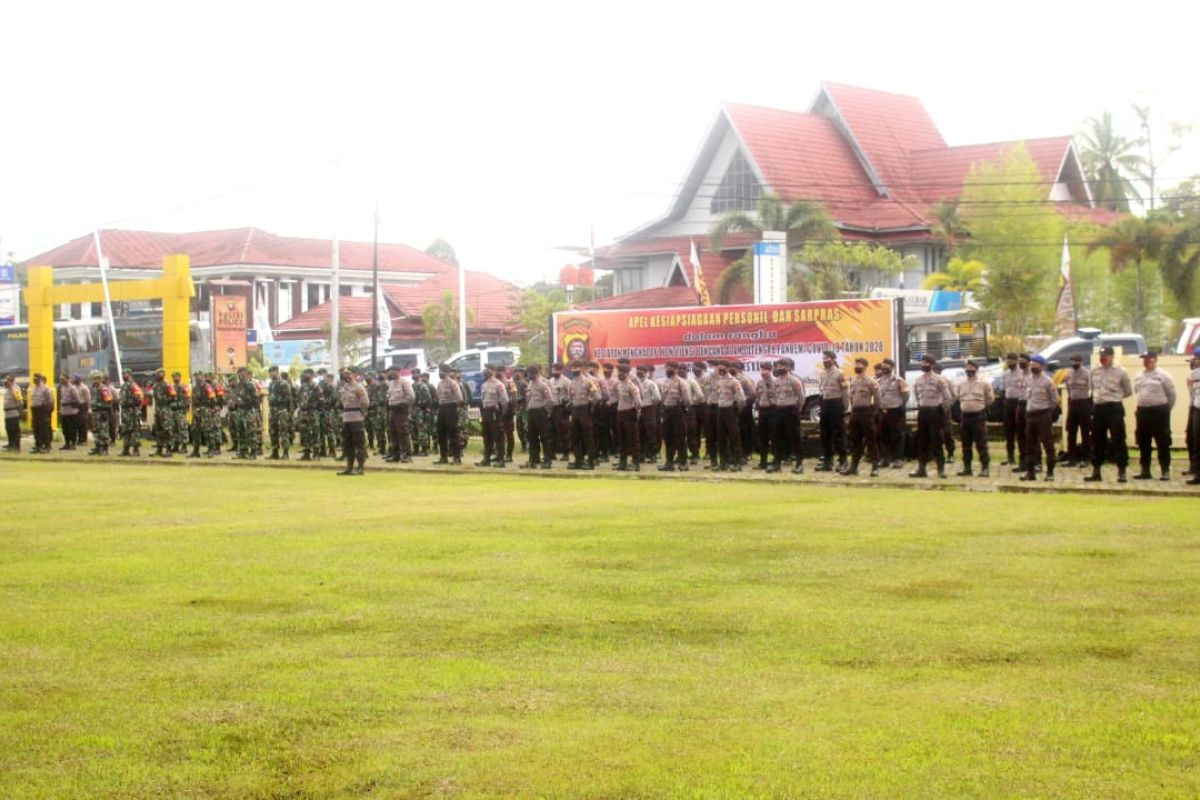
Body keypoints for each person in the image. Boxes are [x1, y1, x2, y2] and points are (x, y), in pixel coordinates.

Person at [1085, 345, 1133, 483]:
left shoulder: (1120, 371)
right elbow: (1092, 388)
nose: (1103, 358)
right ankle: (1096, 471)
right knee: (1097, 440)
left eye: (1105, 356)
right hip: (1098, 407)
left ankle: (1122, 470)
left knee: (1118, 439)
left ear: (1112, 356)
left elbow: (1128, 391)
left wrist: (1115, 397)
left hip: (1114, 408)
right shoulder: (1094, 371)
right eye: (1101, 356)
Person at [1133, 351, 1175, 481]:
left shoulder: (1163, 375)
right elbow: (1137, 391)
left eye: (1149, 359)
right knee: (1143, 441)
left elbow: (1171, 395)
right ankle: (1145, 470)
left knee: (1162, 442)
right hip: (1143, 412)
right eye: (1144, 359)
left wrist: (1166, 410)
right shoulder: (1139, 376)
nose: (1146, 361)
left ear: (1155, 360)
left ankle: (1165, 471)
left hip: (1159, 412)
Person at [910, 353, 952, 479]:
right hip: (923, 412)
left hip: (935, 411)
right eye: (922, 363)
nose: (923, 365)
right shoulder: (918, 380)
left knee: (936, 441)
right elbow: (917, 397)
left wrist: (942, 411)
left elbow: (947, 397)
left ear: (932, 365)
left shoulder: (939, 379)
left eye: (926, 363)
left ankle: (941, 469)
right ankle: (921, 469)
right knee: (922, 441)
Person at [1021, 354, 1058, 482]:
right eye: (1032, 364)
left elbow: (1054, 400)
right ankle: (1030, 472)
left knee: (1048, 444)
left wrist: (1047, 412)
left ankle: (1050, 472)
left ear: (1041, 366)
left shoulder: (1048, 381)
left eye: (1035, 364)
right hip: (1030, 414)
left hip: (1043, 414)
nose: (1032, 366)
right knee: (1030, 444)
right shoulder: (1028, 379)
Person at [956, 359, 994, 477]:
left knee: (981, 443)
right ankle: (967, 468)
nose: (969, 370)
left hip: (978, 416)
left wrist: (981, 407)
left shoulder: (984, 383)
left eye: (971, 368)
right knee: (966, 444)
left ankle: (985, 468)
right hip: (965, 417)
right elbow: (959, 398)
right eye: (967, 368)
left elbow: (990, 399)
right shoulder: (961, 384)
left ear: (976, 369)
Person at [845, 356, 881, 476]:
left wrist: (873, 412)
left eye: (859, 365)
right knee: (855, 441)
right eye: (855, 365)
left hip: (866, 412)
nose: (856, 367)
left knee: (871, 440)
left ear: (865, 367)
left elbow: (877, 399)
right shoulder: (854, 381)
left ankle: (875, 467)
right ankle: (853, 467)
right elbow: (851, 398)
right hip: (855, 413)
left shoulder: (871, 381)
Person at [769, 358, 805, 474]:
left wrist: (797, 409)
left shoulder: (795, 380)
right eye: (778, 366)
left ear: (788, 367)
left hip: (791, 410)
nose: (779, 368)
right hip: (779, 410)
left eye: (782, 366)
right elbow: (774, 396)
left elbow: (801, 398)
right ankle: (777, 464)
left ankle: (799, 464)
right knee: (777, 437)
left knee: (795, 438)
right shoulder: (776, 381)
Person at [815, 350, 848, 472]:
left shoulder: (840, 373)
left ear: (833, 359)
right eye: (823, 358)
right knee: (825, 433)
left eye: (827, 358)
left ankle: (843, 461)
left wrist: (844, 405)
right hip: (825, 403)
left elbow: (845, 390)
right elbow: (822, 389)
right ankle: (828, 462)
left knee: (839, 433)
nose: (825, 360)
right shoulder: (823, 373)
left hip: (836, 403)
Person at [713, 360, 746, 471]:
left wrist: (736, 412)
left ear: (727, 368)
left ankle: (737, 463)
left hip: (730, 411)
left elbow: (741, 399)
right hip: (720, 411)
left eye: (722, 367)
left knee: (734, 437)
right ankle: (723, 462)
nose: (720, 369)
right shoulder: (719, 381)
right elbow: (718, 396)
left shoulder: (734, 381)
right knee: (721, 438)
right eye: (719, 367)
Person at [567, 360, 600, 470]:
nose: (574, 370)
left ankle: (591, 462)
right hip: (575, 411)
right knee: (575, 437)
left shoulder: (589, 382)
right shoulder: (571, 383)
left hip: (585, 410)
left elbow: (597, 397)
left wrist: (591, 407)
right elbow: (570, 399)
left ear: (582, 368)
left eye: (576, 367)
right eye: (572, 368)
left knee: (588, 437)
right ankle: (578, 461)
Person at [337, 368, 369, 475]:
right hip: (346, 418)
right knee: (347, 444)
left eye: (348, 373)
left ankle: (360, 468)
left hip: (356, 418)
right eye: (345, 374)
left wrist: (361, 413)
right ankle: (349, 467)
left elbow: (365, 402)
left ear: (355, 374)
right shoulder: (344, 387)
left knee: (359, 443)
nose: (346, 376)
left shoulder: (358, 387)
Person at [656, 362, 689, 472]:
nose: (668, 369)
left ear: (676, 369)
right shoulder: (666, 382)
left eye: (670, 368)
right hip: (667, 411)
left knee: (680, 438)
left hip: (678, 411)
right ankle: (669, 463)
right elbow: (662, 398)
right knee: (668, 438)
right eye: (667, 368)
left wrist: (684, 409)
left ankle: (683, 463)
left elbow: (687, 400)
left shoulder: (681, 382)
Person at [877, 358, 908, 467]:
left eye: (886, 367)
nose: (884, 369)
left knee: (896, 436)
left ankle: (898, 459)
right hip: (883, 412)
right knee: (883, 436)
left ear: (891, 367)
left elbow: (905, 396)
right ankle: (885, 458)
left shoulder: (899, 380)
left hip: (895, 411)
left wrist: (899, 405)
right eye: (883, 367)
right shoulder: (879, 381)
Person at [521, 364, 554, 469]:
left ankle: (547, 460)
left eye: (533, 373)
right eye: (529, 373)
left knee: (544, 437)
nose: (531, 375)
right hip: (531, 412)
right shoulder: (530, 384)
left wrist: (545, 411)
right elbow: (528, 398)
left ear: (537, 373)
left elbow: (550, 400)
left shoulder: (543, 385)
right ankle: (534, 459)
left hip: (540, 412)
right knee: (532, 437)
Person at [1062, 354, 1092, 467]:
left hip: (1084, 402)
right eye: (1072, 362)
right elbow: (1068, 388)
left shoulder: (1087, 374)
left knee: (1085, 432)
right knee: (1071, 431)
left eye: (1076, 362)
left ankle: (1086, 458)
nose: (1074, 364)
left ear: (1081, 362)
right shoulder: (1069, 373)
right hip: (1073, 402)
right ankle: (1071, 458)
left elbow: (1091, 388)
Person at [477, 364, 509, 467]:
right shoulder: (484, 385)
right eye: (485, 369)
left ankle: (501, 459)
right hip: (486, 412)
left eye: (488, 370)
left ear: (493, 371)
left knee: (498, 437)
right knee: (487, 436)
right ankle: (486, 459)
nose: (486, 372)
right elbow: (482, 399)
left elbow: (505, 400)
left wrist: (501, 411)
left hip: (495, 412)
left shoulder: (499, 384)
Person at [613, 363, 642, 471]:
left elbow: (638, 402)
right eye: (618, 371)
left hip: (630, 413)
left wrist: (636, 412)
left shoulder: (632, 386)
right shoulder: (619, 385)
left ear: (627, 373)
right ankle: (623, 462)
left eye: (622, 372)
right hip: (620, 413)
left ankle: (635, 463)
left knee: (633, 440)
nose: (620, 374)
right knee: (622, 439)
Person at [435, 364, 464, 464]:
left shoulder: (453, 383)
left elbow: (460, 398)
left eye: (441, 371)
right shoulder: (440, 383)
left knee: (453, 434)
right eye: (439, 371)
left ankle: (456, 458)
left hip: (451, 409)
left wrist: (453, 405)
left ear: (446, 372)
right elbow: (438, 397)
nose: (440, 373)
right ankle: (443, 457)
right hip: (442, 409)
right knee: (441, 433)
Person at [1000, 353, 1025, 467]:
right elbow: (1005, 389)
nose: (1009, 363)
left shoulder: (1022, 373)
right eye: (1008, 360)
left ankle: (1023, 457)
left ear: (1016, 361)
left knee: (1021, 431)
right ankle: (1010, 457)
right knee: (1008, 431)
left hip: (1019, 402)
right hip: (1008, 403)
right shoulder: (1005, 374)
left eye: (1012, 360)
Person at [931, 360, 956, 463]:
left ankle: (950, 454)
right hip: (932, 409)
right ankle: (934, 454)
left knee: (947, 433)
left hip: (944, 409)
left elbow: (954, 396)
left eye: (939, 370)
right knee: (934, 432)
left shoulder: (946, 380)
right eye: (935, 370)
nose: (937, 372)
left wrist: (946, 406)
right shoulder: (929, 380)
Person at [753, 362, 775, 470]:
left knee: (774, 437)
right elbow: (757, 396)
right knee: (763, 438)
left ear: (770, 370)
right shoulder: (760, 383)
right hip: (762, 411)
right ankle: (763, 462)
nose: (763, 372)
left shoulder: (775, 382)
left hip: (773, 411)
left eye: (765, 370)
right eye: (761, 370)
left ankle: (776, 461)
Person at [296, 369, 321, 461]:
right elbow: (298, 397)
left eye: (307, 373)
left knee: (315, 432)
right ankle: (306, 453)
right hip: (303, 412)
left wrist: (314, 408)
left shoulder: (316, 386)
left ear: (311, 375)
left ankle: (316, 453)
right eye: (304, 373)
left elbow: (321, 399)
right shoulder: (303, 386)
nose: (305, 375)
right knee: (304, 433)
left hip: (312, 412)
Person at [88, 373, 116, 456]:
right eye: (93, 378)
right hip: (95, 412)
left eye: (96, 378)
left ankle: (104, 448)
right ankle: (98, 446)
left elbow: (109, 400)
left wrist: (100, 405)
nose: (94, 380)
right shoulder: (94, 388)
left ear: (100, 379)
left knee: (103, 431)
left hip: (102, 412)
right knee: (96, 431)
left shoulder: (104, 389)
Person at [28, 374, 53, 453]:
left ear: (40, 379)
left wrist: (47, 412)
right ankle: (38, 446)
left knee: (44, 429)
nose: (34, 380)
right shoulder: (34, 388)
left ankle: (46, 446)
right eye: (34, 378)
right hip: (34, 410)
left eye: (36, 378)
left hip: (42, 410)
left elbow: (50, 401)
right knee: (36, 429)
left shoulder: (46, 388)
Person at [1187, 348, 1200, 486]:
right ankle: (1198, 474)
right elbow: (1192, 392)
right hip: (1197, 408)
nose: (1194, 361)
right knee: (1197, 442)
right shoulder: (1193, 374)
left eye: (1196, 358)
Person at [59, 375, 80, 450]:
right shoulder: (62, 387)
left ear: (67, 379)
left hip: (71, 411)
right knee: (65, 429)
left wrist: (69, 403)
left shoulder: (72, 388)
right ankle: (67, 443)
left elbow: (77, 400)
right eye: (61, 379)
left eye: (63, 379)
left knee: (72, 429)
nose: (61, 380)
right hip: (64, 412)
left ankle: (73, 444)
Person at [3, 374, 22, 451]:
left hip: (13, 413)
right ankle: (10, 444)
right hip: (7, 414)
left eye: (8, 379)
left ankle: (15, 446)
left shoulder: (16, 388)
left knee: (14, 430)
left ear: (12, 380)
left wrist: (11, 387)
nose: (6, 381)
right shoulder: (7, 389)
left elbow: (19, 400)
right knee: (9, 429)